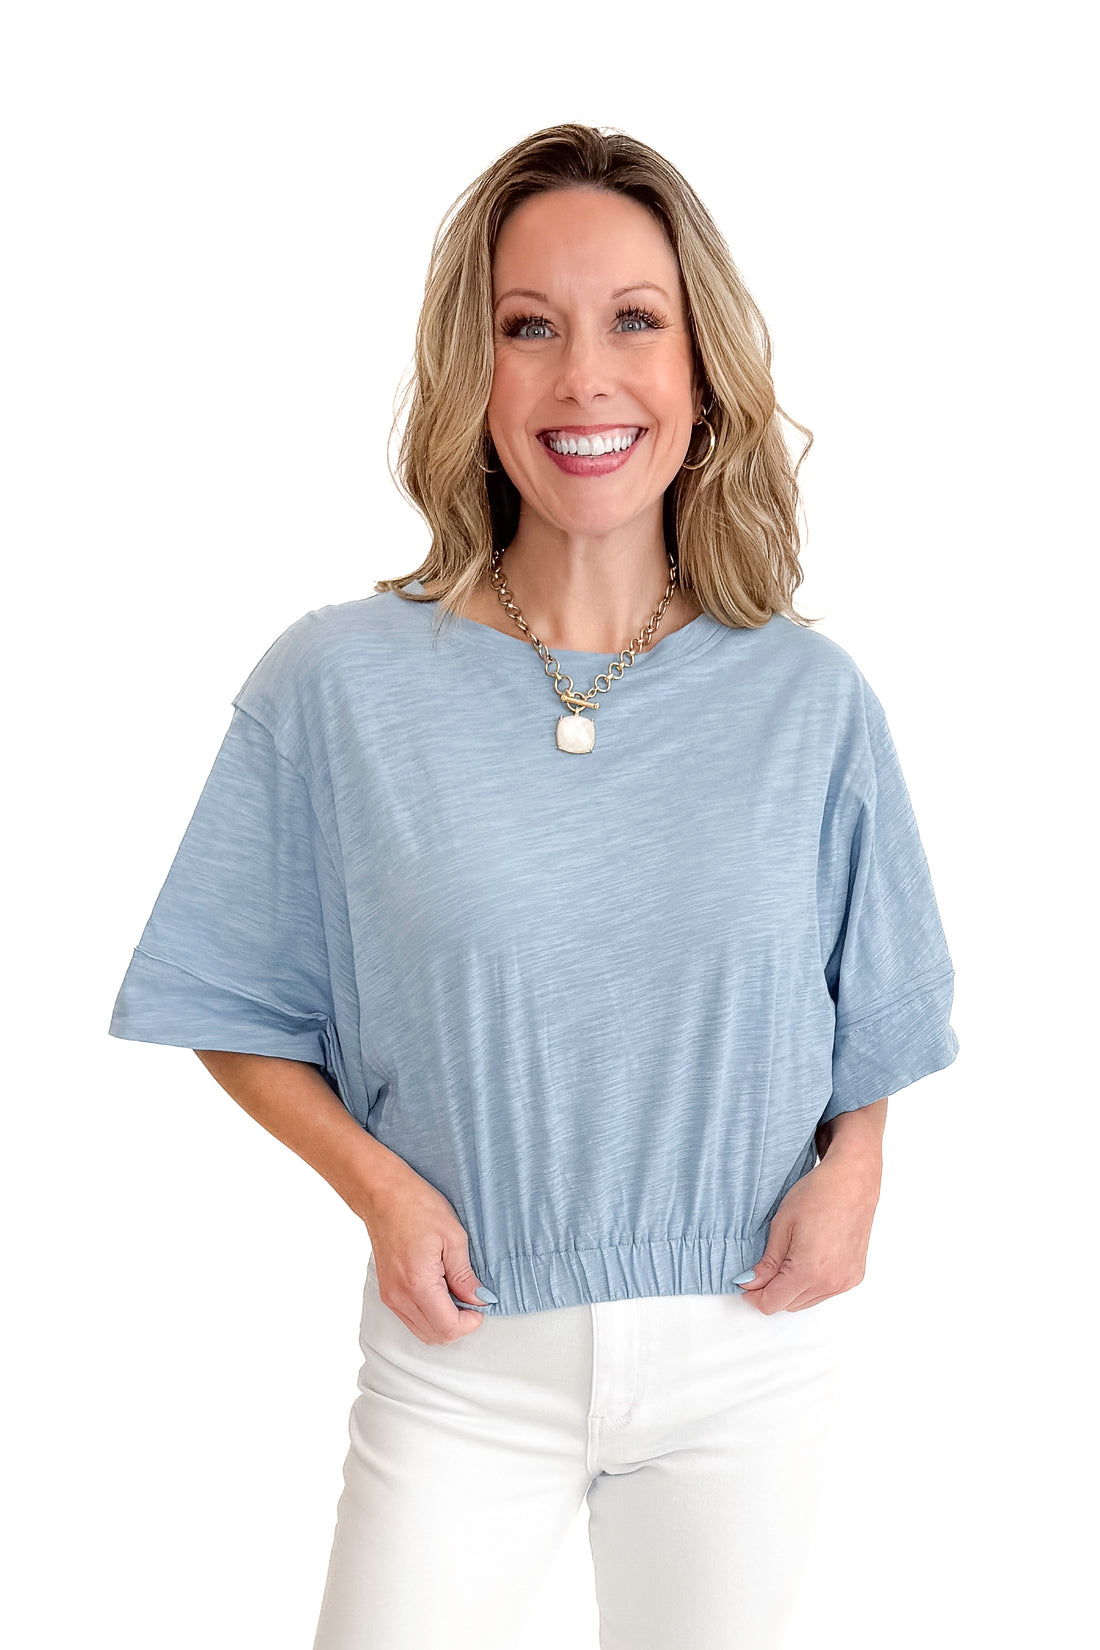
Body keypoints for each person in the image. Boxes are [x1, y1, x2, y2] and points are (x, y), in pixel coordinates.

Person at [108, 122, 960, 1650]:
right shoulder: (339, 686)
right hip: (461, 1355)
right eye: (529, 327)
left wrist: (862, 1165)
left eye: (635, 320)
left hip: (745, 1349)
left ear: (698, 369)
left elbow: (872, 1010)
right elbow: (228, 995)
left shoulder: (807, 698)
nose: (584, 379)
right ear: (473, 370)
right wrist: (379, 1186)